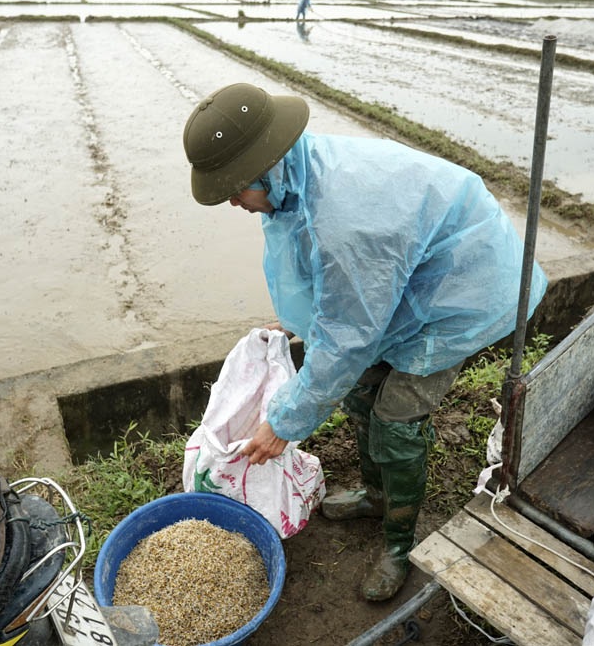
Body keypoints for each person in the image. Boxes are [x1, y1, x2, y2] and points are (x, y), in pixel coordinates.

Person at [181, 82, 547, 601]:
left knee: (395, 421)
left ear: (266, 169)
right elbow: (329, 282)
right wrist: (302, 320)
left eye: (237, 189)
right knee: (359, 393)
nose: (235, 202)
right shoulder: (299, 178)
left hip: (463, 291)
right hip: (407, 279)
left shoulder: (344, 218)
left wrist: (283, 422)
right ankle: (377, 496)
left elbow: (348, 336)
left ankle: (399, 542)